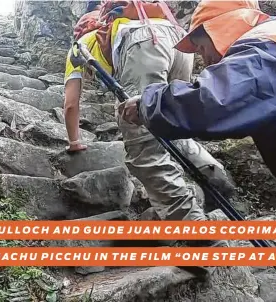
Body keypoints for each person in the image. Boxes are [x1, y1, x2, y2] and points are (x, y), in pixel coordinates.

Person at [118, 0, 276, 299]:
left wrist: (151, 105)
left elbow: (217, 100)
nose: (203, 60)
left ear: (219, 28)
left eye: (201, 48)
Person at [63, 0, 235, 248]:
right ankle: (213, 174)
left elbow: (70, 104)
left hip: (143, 44)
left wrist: (74, 142)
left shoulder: (79, 46)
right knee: (170, 121)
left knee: (143, 148)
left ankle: (196, 232)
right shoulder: (120, 19)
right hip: (175, 41)